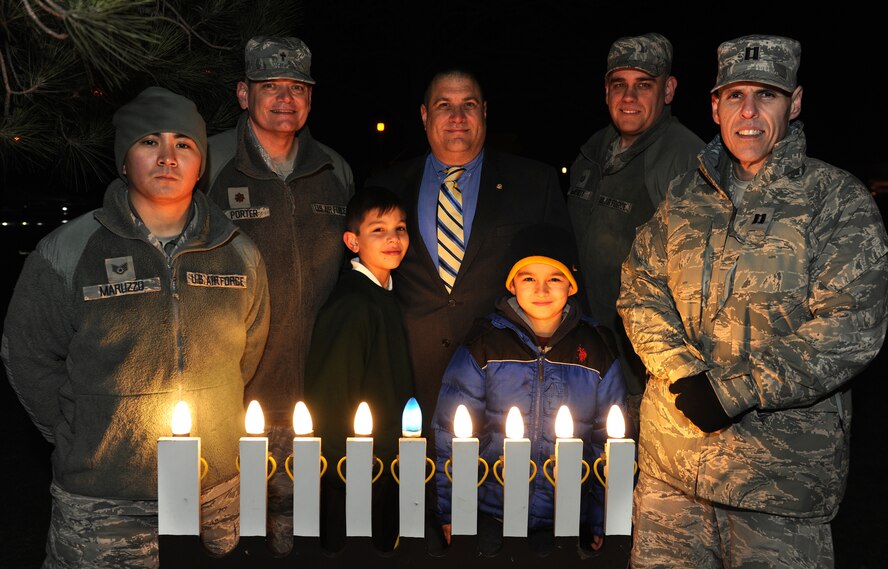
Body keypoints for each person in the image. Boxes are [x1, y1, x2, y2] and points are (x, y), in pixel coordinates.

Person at [617, 35, 888, 568]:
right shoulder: (684, 197)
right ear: (714, 106)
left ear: (796, 102)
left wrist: (732, 389)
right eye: (735, 95)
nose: (749, 112)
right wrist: (682, 373)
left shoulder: (834, 200)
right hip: (673, 479)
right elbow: (639, 289)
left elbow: (851, 325)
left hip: (778, 490)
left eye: (767, 95)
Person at [1, 86, 270, 568]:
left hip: (217, 495)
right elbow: (27, 355)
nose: (168, 156)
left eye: (184, 144)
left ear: (201, 161)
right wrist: (77, 430)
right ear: (123, 160)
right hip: (104, 506)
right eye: (150, 142)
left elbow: (246, 354)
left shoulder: (240, 252)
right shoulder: (67, 252)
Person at [203, 35, 355, 552]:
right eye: (271, 86)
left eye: (298, 87)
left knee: (298, 538)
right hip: (231, 400)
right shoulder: (207, 163)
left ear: (310, 98)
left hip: (313, 399)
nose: (285, 98)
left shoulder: (335, 170)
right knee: (227, 541)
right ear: (244, 94)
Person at [367, 68, 572, 432]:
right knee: (418, 486)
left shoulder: (534, 184)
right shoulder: (387, 186)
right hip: (411, 387)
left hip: (510, 389)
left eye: (469, 105)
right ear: (425, 115)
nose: (457, 117)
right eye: (444, 105)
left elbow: (566, 285)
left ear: (485, 112)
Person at [432, 223, 626, 554]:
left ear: (571, 285)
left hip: (565, 518)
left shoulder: (595, 349)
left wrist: (601, 516)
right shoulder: (484, 344)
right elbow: (451, 432)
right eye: (528, 279)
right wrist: (453, 508)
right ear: (512, 284)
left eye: (554, 278)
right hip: (492, 512)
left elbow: (606, 441)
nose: (541, 289)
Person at [567, 32, 704, 431]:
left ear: (669, 90)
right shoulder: (594, 149)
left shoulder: (683, 157)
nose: (629, 97)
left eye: (644, 85)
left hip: (641, 377)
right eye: (619, 85)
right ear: (605, 91)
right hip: (584, 362)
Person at [303, 187, 413, 553]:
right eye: (378, 230)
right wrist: (350, 471)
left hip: (387, 467)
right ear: (352, 241)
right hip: (357, 473)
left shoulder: (386, 296)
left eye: (400, 228)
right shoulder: (352, 304)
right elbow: (331, 399)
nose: (393, 238)